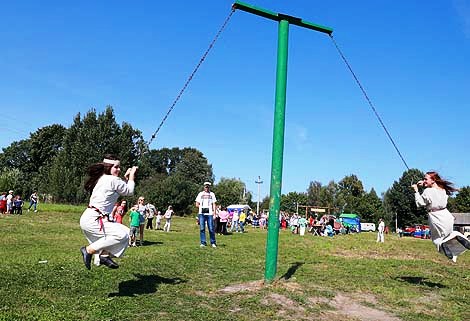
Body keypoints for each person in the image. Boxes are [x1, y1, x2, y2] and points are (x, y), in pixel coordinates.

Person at [79, 155, 138, 270]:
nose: (119, 170)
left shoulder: (104, 178)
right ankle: (88, 250)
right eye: (116, 167)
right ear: (108, 167)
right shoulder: (112, 180)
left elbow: (119, 191)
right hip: (94, 220)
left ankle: (104, 256)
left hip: (90, 218)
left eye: (119, 167)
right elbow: (129, 191)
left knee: (126, 232)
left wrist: (126, 180)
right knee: (121, 235)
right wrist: (131, 177)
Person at [412, 171, 470, 262]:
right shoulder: (443, 190)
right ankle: (457, 236)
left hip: (435, 217)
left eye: (425, 179)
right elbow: (433, 190)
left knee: (437, 240)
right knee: (450, 234)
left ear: (433, 180)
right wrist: (425, 183)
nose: (424, 180)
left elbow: (420, 203)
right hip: (447, 215)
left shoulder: (427, 191)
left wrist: (416, 190)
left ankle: (443, 246)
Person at [195, 182, 217, 247]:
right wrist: (202, 208)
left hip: (210, 214)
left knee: (211, 228)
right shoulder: (200, 194)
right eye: (205, 187)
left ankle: (213, 242)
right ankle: (203, 242)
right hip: (202, 214)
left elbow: (214, 204)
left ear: (209, 187)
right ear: (204, 187)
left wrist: (214, 213)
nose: (206, 188)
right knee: (202, 228)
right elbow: (196, 204)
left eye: (208, 187)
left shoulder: (212, 194)